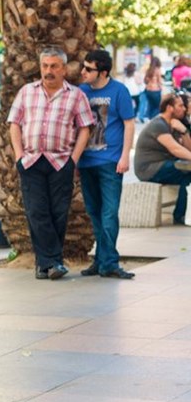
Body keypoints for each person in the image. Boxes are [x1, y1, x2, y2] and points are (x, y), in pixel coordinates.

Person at [7, 46, 95, 281]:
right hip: (31, 160)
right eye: (45, 66)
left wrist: (73, 160)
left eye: (54, 66)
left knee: (58, 212)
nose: (49, 71)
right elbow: (14, 123)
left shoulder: (76, 95)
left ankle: (43, 265)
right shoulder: (27, 92)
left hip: (60, 162)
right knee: (37, 211)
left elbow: (85, 128)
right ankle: (53, 262)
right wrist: (18, 156)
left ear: (64, 69)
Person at [78, 49, 136, 279]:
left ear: (102, 72)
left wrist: (125, 156)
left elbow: (129, 124)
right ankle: (102, 260)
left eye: (88, 69)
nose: (83, 72)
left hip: (110, 161)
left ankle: (109, 262)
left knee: (109, 213)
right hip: (86, 162)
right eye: (84, 67)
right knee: (94, 212)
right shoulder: (81, 92)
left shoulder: (119, 91)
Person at [134, 93, 191, 226]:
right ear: (170, 108)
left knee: (185, 178)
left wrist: (184, 131)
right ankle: (180, 216)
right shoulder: (158, 124)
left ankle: (179, 216)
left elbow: (188, 150)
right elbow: (175, 149)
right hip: (149, 169)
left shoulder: (173, 125)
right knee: (184, 171)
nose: (184, 108)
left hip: (163, 165)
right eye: (180, 105)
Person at [142, 57, 163, 123]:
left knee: (150, 105)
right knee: (157, 106)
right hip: (155, 90)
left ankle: (149, 118)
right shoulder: (157, 70)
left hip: (148, 90)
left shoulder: (148, 70)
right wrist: (161, 88)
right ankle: (154, 120)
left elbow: (145, 80)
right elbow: (159, 81)